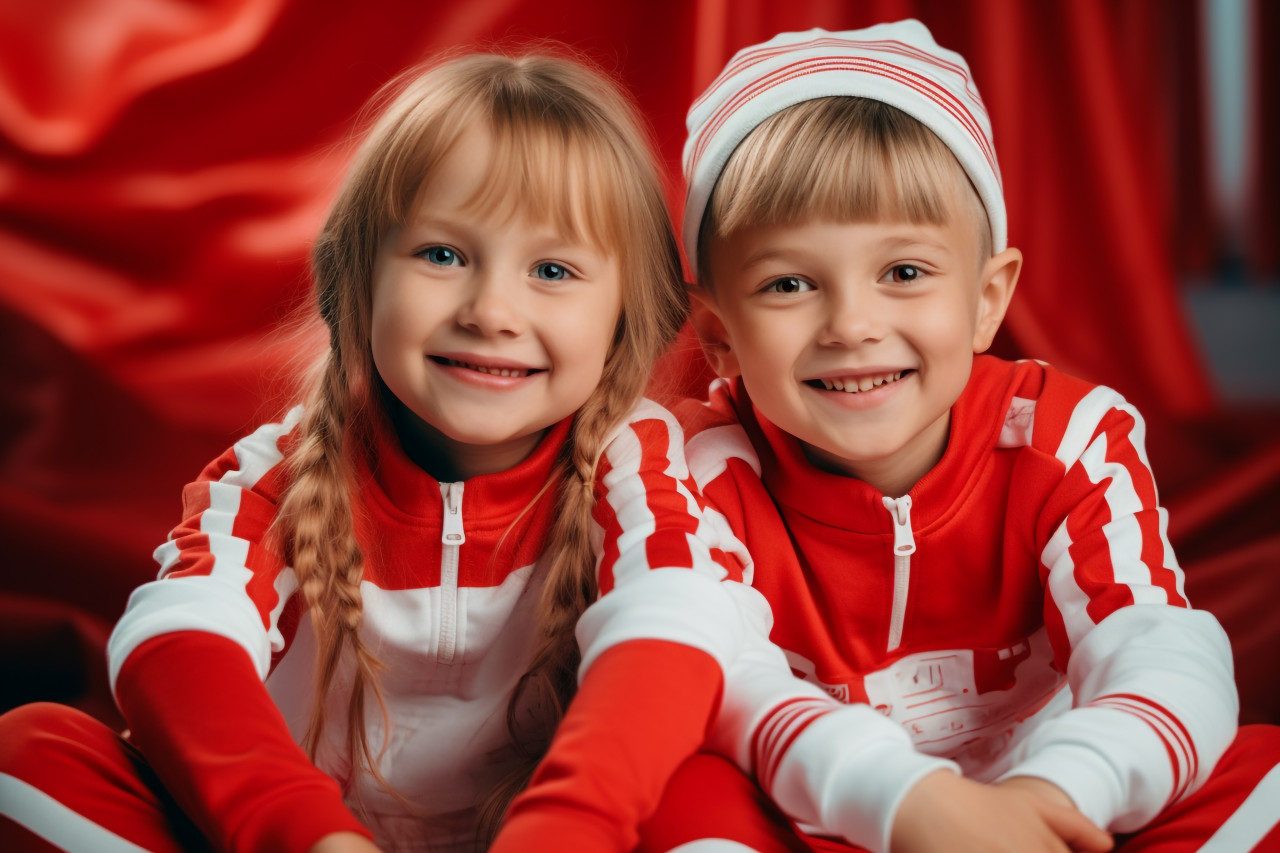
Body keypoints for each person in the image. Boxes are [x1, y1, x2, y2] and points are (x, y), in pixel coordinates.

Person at [0, 50, 753, 853]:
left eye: (553, 269)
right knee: (29, 754)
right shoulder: (276, 470)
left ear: (623, 323)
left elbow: (676, 624)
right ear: (353, 283)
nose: (492, 310)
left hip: (553, 833)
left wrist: (563, 829)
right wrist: (314, 836)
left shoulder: (635, 458)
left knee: (711, 793)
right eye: (442, 255)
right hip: (302, 837)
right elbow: (178, 642)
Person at [652, 19, 1280, 853]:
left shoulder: (1068, 437)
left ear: (988, 299)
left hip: (1045, 801)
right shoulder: (697, 470)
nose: (854, 324)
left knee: (1255, 768)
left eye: (904, 272)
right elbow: (731, 686)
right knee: (676, 792)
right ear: (719, 334)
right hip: (821, 807)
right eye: (790, 282)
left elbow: (1157, 646)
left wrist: (1051, 794)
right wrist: (913, 807)